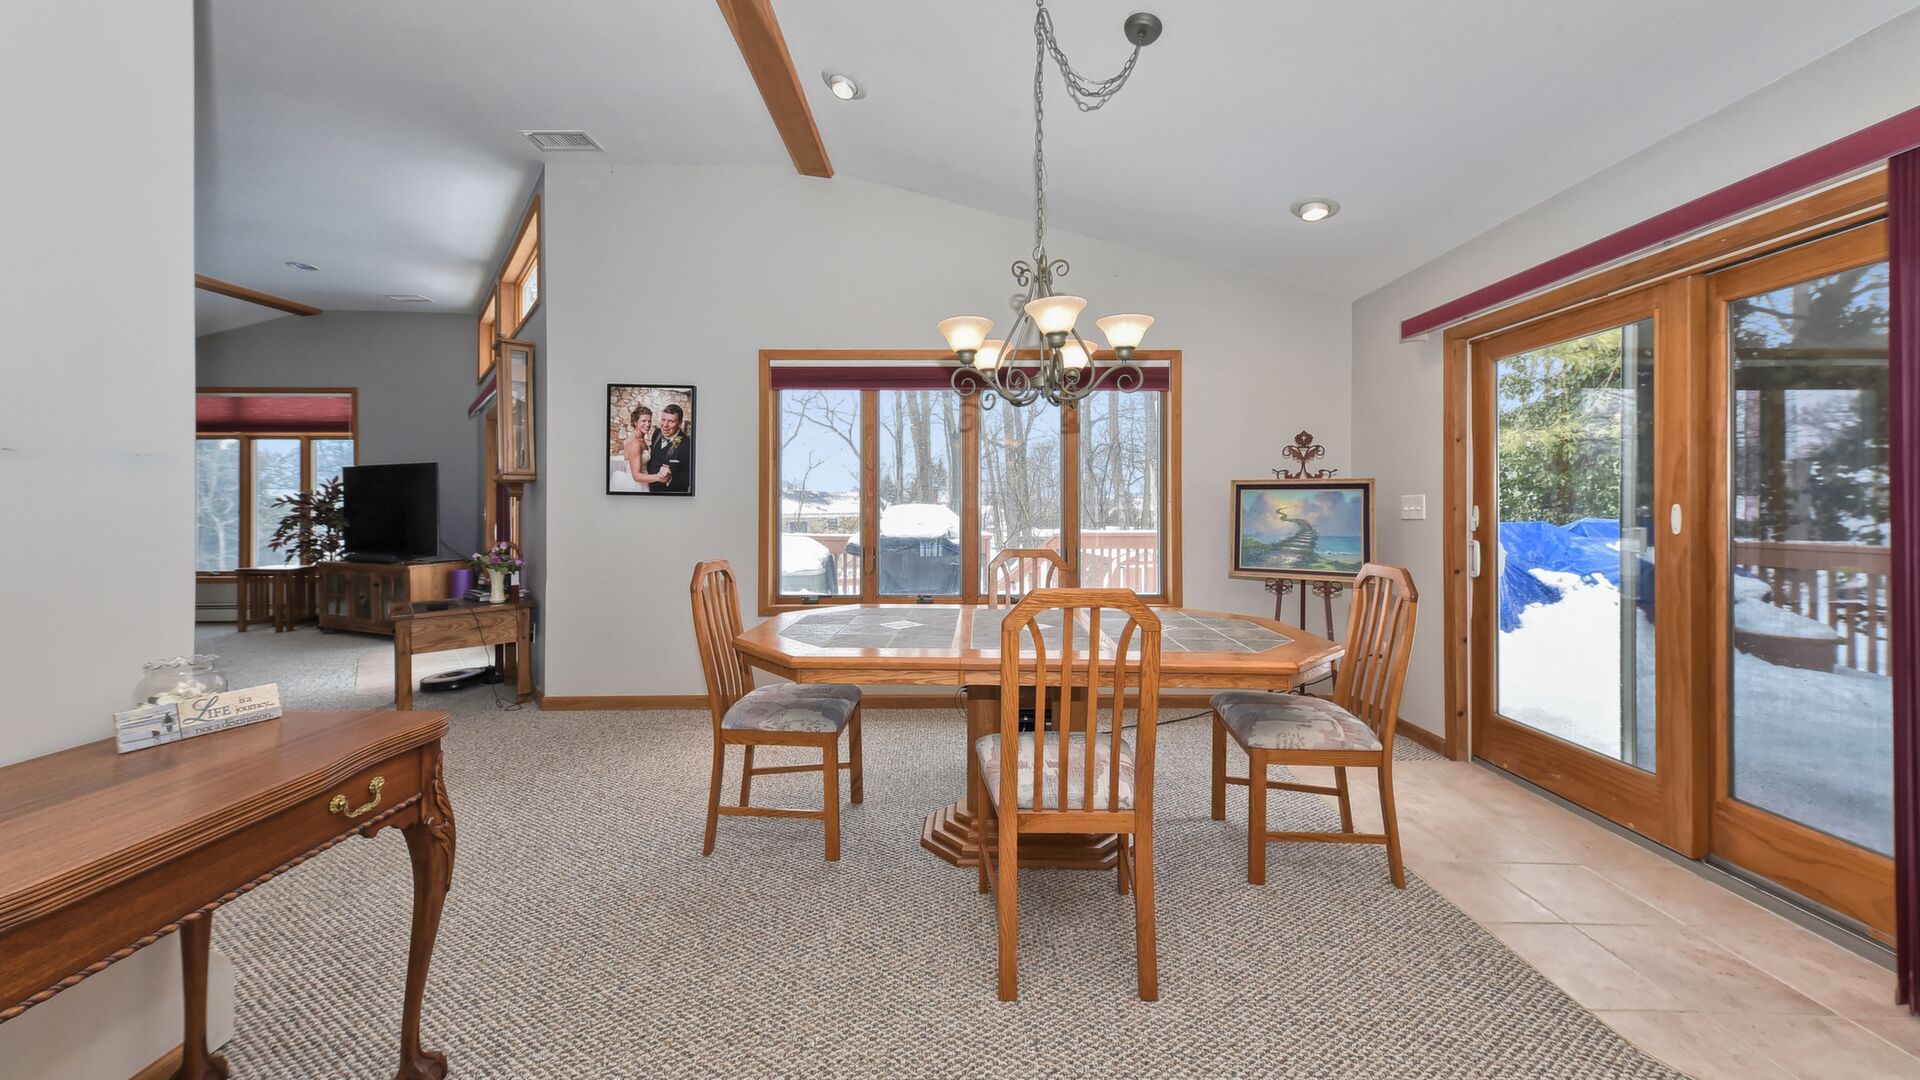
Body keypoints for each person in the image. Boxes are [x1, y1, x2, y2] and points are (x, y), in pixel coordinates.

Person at [651, 402, 694, 494]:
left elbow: (688, 480)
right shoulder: (656, 433)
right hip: (649, 491)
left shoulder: (688, 445)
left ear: (680, 423)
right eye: (663, 420)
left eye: (671, 421)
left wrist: (670, 479)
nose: (665, 425)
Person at [621, 404, 666, 491]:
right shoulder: (635, 443)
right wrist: (659, 477)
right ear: (635, 422)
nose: (647, 424)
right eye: (643, 421)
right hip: (636, 486)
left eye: (649, 421)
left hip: (645, 482)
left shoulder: (641, 439)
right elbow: (636, 476)